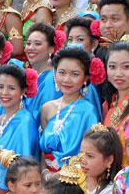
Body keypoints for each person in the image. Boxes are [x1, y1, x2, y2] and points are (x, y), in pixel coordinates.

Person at [40, 45, 101, 176]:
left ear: (85, 78)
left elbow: (91, 152)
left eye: (75, 74)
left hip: (74, 180)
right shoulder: (47, 108)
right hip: (46, 180)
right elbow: (41, 150)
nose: (67, 79)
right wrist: (45, 173)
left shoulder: (89, 111)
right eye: (62, 72)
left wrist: (63, 175)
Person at [0, 63, 40, 193]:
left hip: (11, 193)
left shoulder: (25, 121)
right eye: (0, 87)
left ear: (23, 91)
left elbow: (24, 167)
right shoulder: (1, 120)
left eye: (11, 88)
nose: (5, 93)